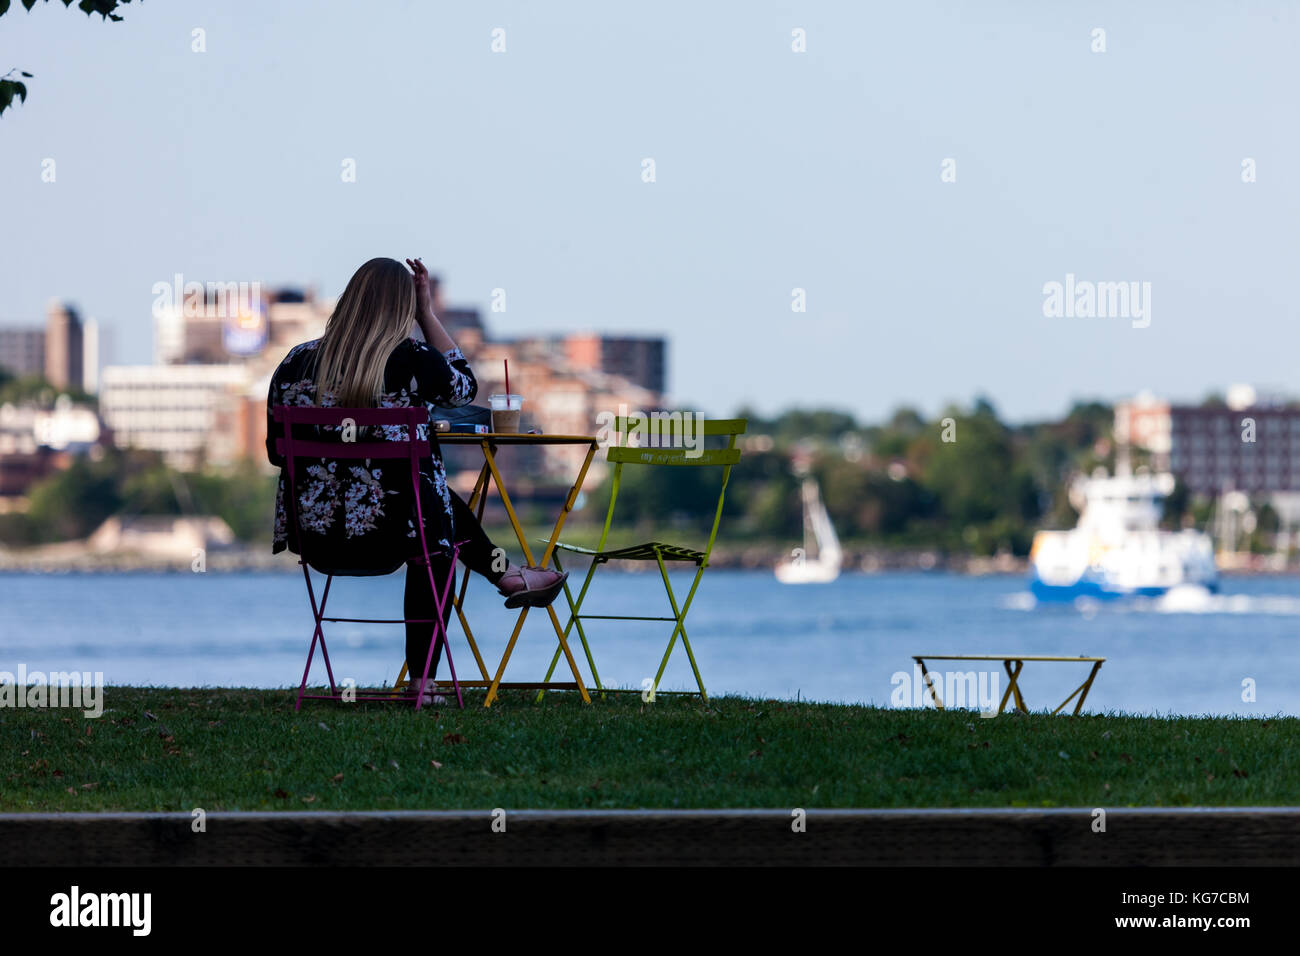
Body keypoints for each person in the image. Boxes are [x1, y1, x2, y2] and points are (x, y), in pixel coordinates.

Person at [265, 256, 567, 701]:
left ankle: (507, 573)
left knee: (433, 501)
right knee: (435, 528)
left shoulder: (294, 363)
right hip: (397, 536)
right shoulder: (410, 359)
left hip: (317, 536)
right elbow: (464, 388)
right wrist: (427, 313)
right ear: (401, 308)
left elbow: (275, 452)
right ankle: (425, 678)